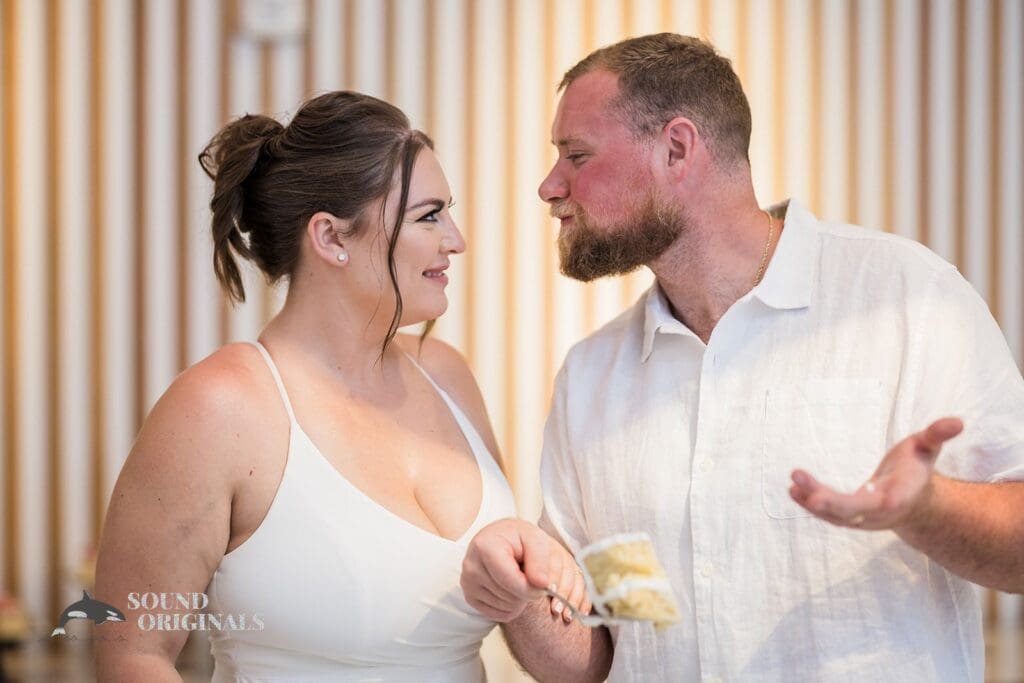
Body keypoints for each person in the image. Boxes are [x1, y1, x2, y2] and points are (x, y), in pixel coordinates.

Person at [461, 33, 1024, 681]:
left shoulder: (908, 298)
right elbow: (603, 656)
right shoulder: (591, 377)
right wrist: (518, 599)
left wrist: (927, 509)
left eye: (576, 155)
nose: (549, 185)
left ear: (676, 148)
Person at [93, 91, 587, 682]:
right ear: (331, 238)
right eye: (429, 216)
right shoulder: (220, 408)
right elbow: (131, 654)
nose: (455, 240)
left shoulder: (447, 373)